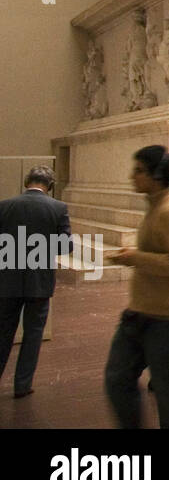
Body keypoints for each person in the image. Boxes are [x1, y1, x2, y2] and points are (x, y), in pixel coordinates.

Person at [104, 146, 169, 428]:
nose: (132, 176)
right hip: (142, 312)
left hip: (166, 318)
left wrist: (136, 258)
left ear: (156, 175)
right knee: (118, 378)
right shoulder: (156, 205)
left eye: (139, 171)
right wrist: (135, 256)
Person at [0, 165, 70, 399]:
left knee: (3, 332)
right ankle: (22, 384)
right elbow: (65, 246)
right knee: (33, 335)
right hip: (39, 281)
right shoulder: (58, 208)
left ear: (26, 182)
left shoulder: (5, 206)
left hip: (7, 279)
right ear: (50, 186)